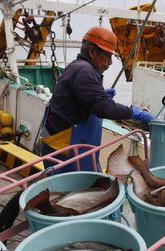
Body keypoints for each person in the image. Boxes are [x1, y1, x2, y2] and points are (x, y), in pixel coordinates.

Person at [39, 26, 155, 173]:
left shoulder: (78, 67)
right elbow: (103, 107)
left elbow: (83, 99)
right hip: (65, 149)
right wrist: (134, 113)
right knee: (70, 192)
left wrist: (99, 96)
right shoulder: (85, 71)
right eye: (108, 56)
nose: (110, 63)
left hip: (66, 145)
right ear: (93, 52)